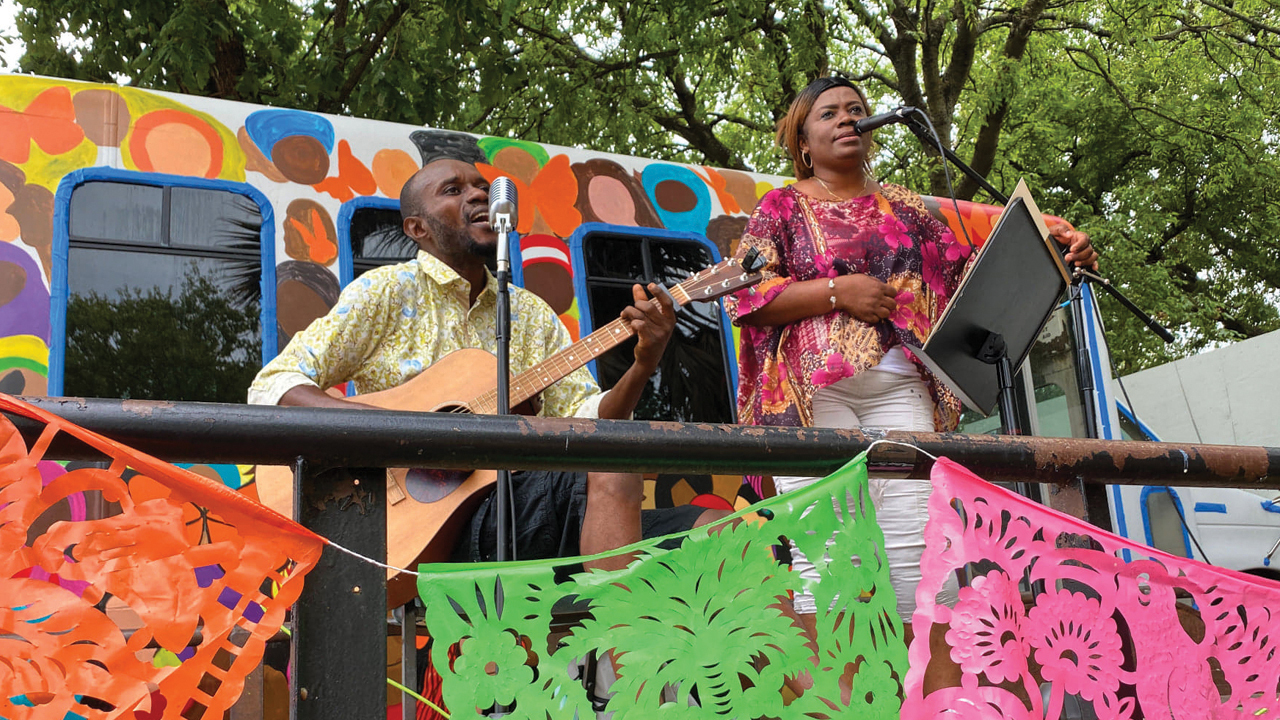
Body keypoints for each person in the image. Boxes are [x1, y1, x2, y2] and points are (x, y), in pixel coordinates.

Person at [723, 76, 1098, 680]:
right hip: (814, 394)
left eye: (858, 110)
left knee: (919, 552)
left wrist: (1055, 248)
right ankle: (843, 700)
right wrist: (836, 291)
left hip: (900, 381)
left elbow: (970, 277)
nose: (848, 119)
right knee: (827, 557)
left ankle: (921, 695)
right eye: (829, 114)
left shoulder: (904, 206)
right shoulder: (782, 208)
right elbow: (750, 298)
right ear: (803, 141)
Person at [248, 154, 726, 570]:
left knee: (715, 528)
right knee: (615, 469)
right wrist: (406, 431)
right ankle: (621, 674)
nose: (477, 194)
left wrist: (643, 363)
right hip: (434, 527)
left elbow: (591, 422)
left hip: (528, 513)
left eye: (482, 186)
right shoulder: (386, 292)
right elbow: (275, 385)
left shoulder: (530, 313)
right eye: (454, 190)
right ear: (417, 228)